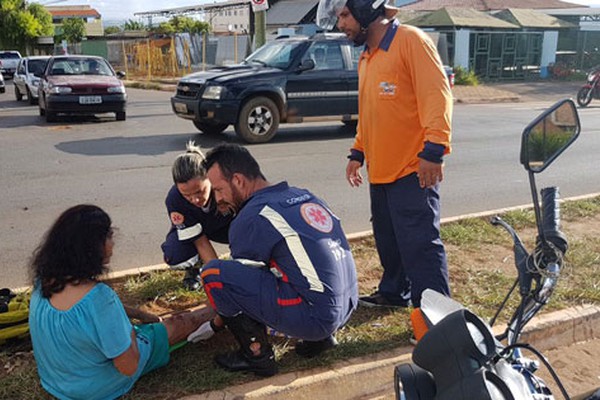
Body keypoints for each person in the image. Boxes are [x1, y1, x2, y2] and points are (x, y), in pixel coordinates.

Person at [316, 0, 452, 309]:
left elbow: (437, 96)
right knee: (389, 241)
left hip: (412, 169)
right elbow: (370, 112)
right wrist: (358, 152)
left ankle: (437, 314)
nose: (341, 25)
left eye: (346, 15)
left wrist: (434, 150)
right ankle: (394, 294)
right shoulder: (367, 56)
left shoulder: (410, 41)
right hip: (381, 170)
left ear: (366, 11)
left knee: (420, 247)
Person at [188, 144, 358, 377]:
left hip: (318, 316)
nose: (218, 199)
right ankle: (320, 339)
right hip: (348, 305)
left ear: (238, 180)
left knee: (214, 276)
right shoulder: (302, 195)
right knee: (290, 266)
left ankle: (256, 356)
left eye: (218, 190)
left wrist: (216, 324)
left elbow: (237, 290)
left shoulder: (252, 216)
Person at [28, 204, 214, 400]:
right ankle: (223, 309)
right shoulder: (98, 298)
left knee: (162, 321)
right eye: (108, 236)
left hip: (57, 382)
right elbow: (128, 366)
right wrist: (129, 332)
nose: (112, 243)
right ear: (89, 248)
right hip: (96, 389)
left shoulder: (44, 281)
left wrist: (141, 315)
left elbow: (90, 316)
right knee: (181, 322)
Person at [161, 141, 234, 290]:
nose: (195, 200)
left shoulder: (226, 185)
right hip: (198, 229)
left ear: (209, 178)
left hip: (229, 225)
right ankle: (195, 269)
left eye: (200, 191)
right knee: (175, 254)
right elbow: (200, 241)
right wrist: (220, 281)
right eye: (186, 195)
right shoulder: (174, 200)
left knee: (249, 234)